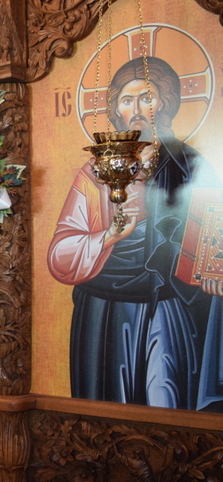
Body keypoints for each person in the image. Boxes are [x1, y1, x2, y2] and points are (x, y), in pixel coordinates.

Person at [48, 56, 223, 410]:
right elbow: (59, 254)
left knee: (166, 403)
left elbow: (214, 233)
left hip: (168, 308)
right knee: (109, 416)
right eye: (127, 100)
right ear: (116, 110)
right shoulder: (95, 171)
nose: (138, 109)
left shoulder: (191, 165)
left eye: (147, 97)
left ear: (166, 102)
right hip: (103, 312)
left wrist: (214, 271)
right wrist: (108, 235)